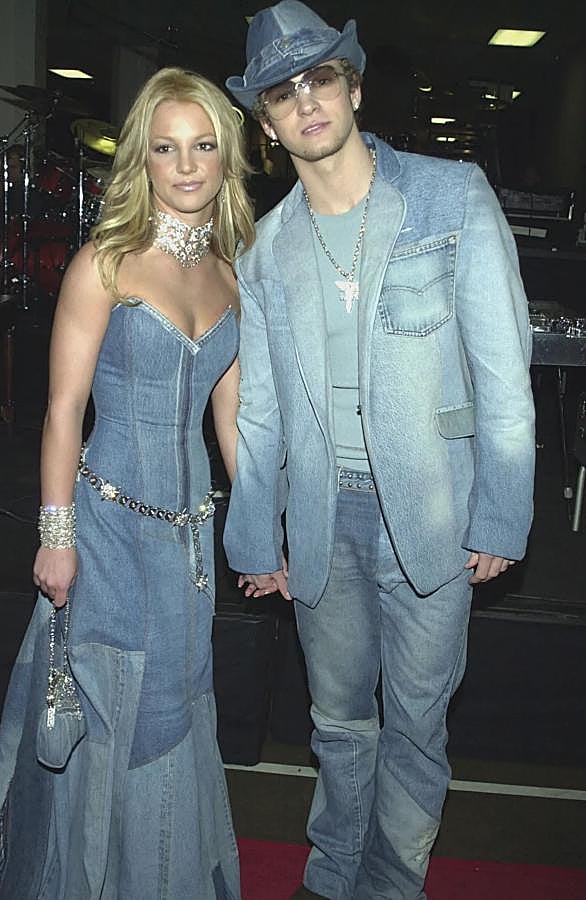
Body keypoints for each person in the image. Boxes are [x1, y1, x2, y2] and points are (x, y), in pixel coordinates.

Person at [224, 3, 535, 899]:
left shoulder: (449, 193)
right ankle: (330, 878)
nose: (306, 102)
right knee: (337, 723)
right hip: (326, 518)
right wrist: (257, 538)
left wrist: (503, 515)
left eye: (320, 78)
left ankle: (392, 883)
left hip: (434, 511)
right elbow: (262, 413)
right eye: (283, 93)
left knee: (416, 722)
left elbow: (503, 375)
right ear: (268, 125)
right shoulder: (265, 246)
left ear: (352, 86)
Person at [0, 67, 253, 899]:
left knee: (176, 708)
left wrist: (261, 528)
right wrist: (56, 536)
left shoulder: (231, 275)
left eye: (204, 146)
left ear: (226, 158)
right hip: (106, 532)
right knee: (111, 711)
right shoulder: (103, 265)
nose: (186, 165)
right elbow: (61, 412)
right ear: (142, 161)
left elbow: (231, 427)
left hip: (187, 542)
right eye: (166, 148)